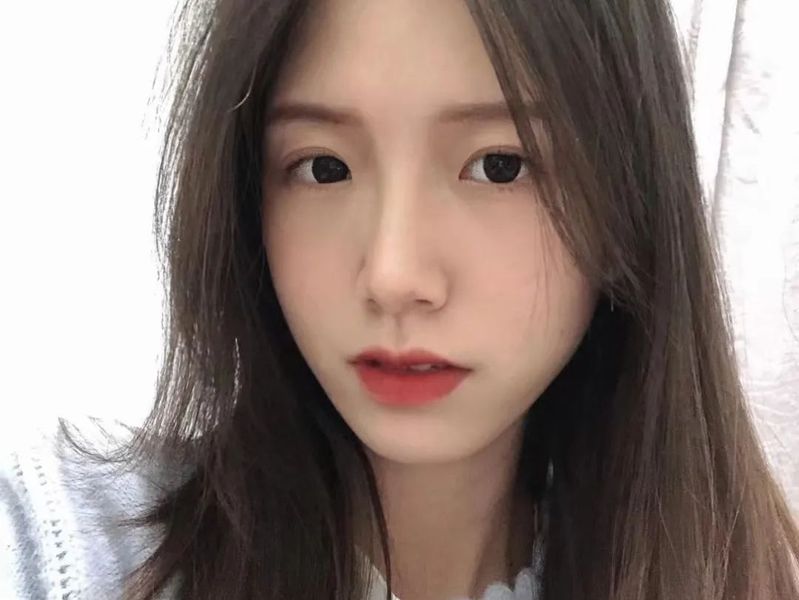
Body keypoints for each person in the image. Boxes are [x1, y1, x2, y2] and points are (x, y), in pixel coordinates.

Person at [2, 0, 798, 598]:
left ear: (629, 195)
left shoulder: (740, 575)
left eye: (499, 165)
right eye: (323, 167)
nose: (392, 275)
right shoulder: (71, 544)